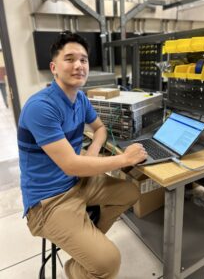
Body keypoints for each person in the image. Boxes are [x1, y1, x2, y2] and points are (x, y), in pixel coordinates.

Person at [17, 31, 147, 279]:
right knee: (109, 263)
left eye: (84, 60)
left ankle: (87, 243)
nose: (78, 65)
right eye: (70, 59)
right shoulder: (41, 107)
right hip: (48, 202)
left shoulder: (81, 99)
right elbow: (71, 165)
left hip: (77, 184)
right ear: (54, 68)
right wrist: (124, 159)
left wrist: (93, 151)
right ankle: (76, 268)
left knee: (130, 192)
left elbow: (99, 129)